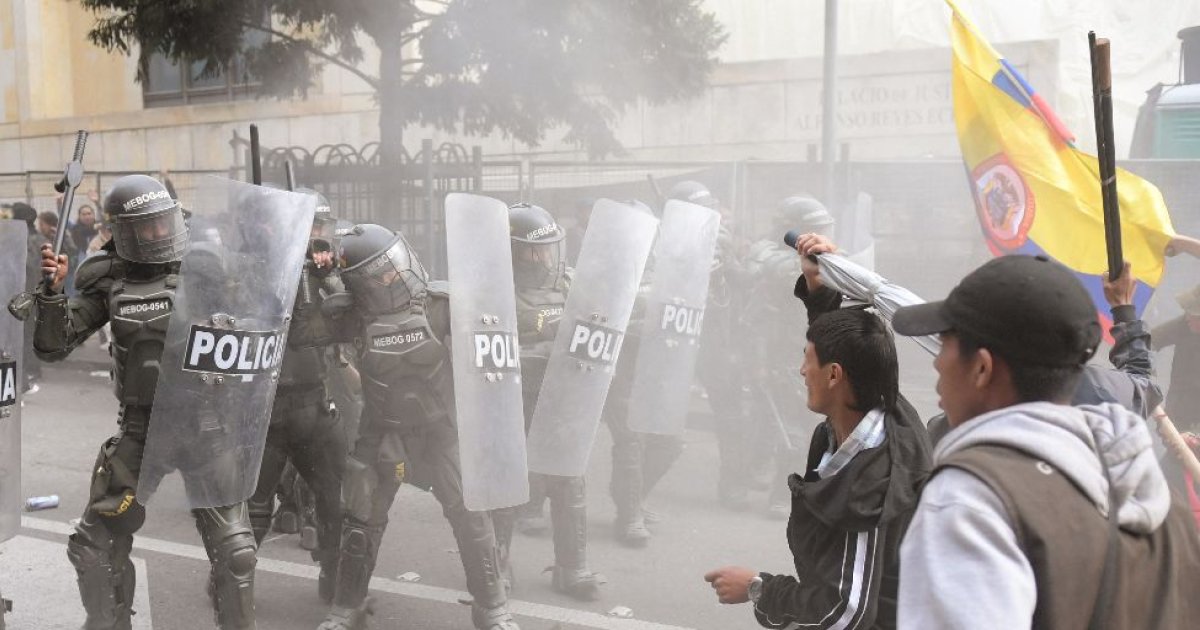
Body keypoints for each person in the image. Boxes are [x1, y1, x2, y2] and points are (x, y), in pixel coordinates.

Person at [892, 254, 1200, 629]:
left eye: (945, 345)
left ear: (983, 367)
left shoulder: (972, 501)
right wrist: (1123, 309)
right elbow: (1142, 381)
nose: (937, 363)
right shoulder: (1169, 514)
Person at [31, 174, 260, 629]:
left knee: (235, 550)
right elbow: (54, 346)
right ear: (121, 231)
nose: (158, 234)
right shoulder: (106, 276)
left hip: (205, 424)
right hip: (140, 429)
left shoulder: (207, 266)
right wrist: (53, 295)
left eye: (163, 223)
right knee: (94, 545)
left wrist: (257, 287)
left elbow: (258, 322)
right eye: (146, 227)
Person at [293, 224, 518, 630]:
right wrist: (313, 275)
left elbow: (494, 347)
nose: (392, 277)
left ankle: (492, 606)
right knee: (360, 520)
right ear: (359, 285)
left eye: (394, 265)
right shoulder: (352, 316)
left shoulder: (441, 304)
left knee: (472, 516)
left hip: (441, 429)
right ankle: (347, 607)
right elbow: (303, 332)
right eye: (379, 274)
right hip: (382, 430)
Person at [704, 232, 932, 630]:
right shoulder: (878, 403)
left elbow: (845, 613)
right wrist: (819, 283)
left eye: (806, 360)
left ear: (834, 375)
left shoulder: (871, 483)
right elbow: (843, 346)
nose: (800, 369)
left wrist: (759, 588)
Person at [492, 203, 600, 599]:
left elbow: (593, 325)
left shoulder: (569, 283)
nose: (542, 257)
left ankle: (572, 569)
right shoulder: (493, 287)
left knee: (569, 481)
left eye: (548, 248)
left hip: (561, 398)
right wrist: (545, 346)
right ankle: (496, 568)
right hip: (512, 400)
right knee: (506, 488)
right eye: (531, 250)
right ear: (510, 251)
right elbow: (485, 350)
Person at [246, 191, 345, 602]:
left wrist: (329, 278)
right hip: (270, 405)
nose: (319, 237)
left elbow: (347, 315)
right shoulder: (262, 268)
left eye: (323, 228)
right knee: (254, 504)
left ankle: (335, 578)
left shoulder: (327, 273)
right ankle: (233, 583)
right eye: (312, 228)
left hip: (314, 401)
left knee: (332, 495)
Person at [741, 195, 835, 518]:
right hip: (783, 355)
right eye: (815, 229)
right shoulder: (772, 262)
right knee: (787, 427)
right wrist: (760, 362)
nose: (822, 235)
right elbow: (760, 320)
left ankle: (765, 477)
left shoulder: (821, 261)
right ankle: (780, 495)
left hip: (813, 351)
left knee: (791, 425)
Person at [1151, 284, 1200, 433]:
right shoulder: (1184, 326)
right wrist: (1144, 363)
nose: (1187, 318)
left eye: (1193, 315)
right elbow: (1148, 339)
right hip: (1175, 416)